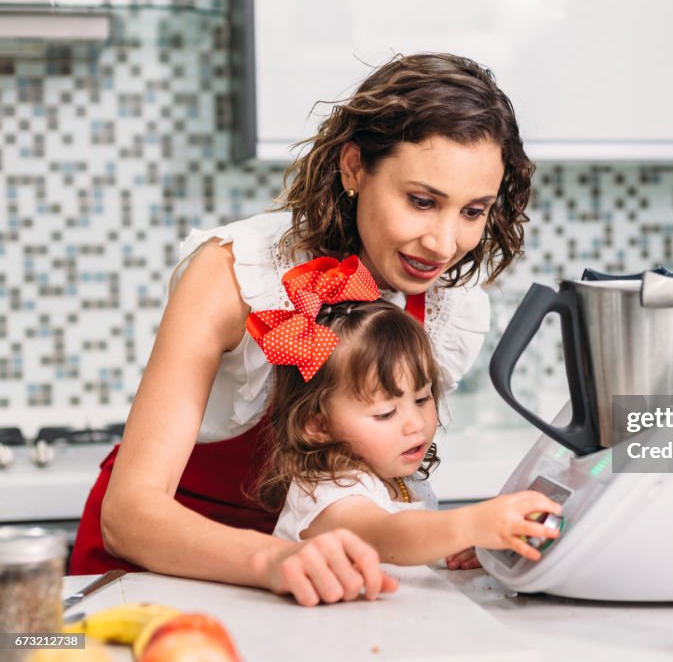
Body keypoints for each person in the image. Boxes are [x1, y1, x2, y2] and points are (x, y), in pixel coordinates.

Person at [69, 53, 535, 606]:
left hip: (305, 585)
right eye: (421, 201)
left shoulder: (443, 306)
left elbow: (358, 486)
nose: (443, 243)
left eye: (472, 212)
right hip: (148, 577)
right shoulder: (233, 274)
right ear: (355, 167)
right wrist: (276, 559)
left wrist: (440, 539)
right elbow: (130, 516)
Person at [251, 256, 561, 568]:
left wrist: (465, 543)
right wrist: (471, 524)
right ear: (317, 425)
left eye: (423, 398)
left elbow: (413, 546)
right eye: (386, 413)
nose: (415, 424)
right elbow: (386, 536)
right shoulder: (329, 491)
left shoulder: (394, 476)